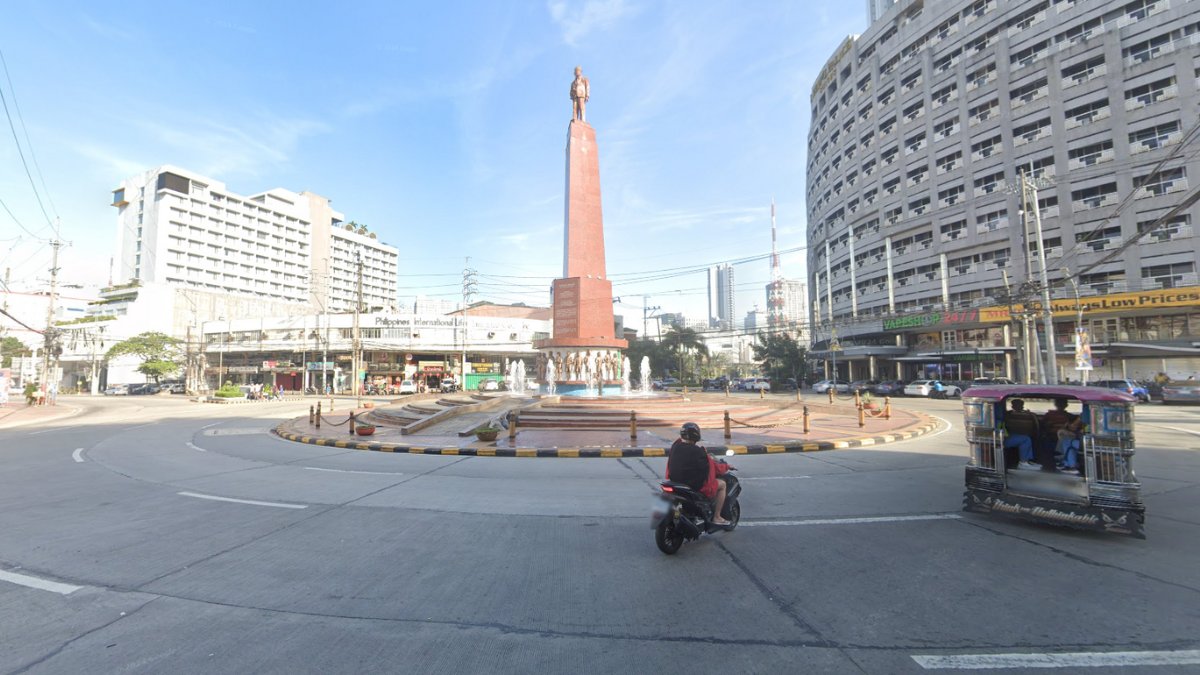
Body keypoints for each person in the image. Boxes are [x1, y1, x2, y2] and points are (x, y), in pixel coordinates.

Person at [665, 422, 732, 526]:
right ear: (696, 435)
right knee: (722, 485)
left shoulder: (675, 446)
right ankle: (717, 517)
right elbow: (715, 468)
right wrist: (727, 466)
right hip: (694, 486)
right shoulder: (698, 452)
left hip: (675, 481)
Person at [1042, 398, 1084, 474]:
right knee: (1064, 441)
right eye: (1059, 403)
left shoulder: (1072, 416)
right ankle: (1067, 463)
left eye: (1062, 403)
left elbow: (1074, 428)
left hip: (1082, 442)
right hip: (1052, 437)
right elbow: (1045, 426)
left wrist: (1067, 429)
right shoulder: (1049, 415)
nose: (1061, 405)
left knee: (1065, 441)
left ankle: (1065, 461)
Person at [1003, 399, 1040, 469]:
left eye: (1020, 405)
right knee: (1026, 439)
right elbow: (1002, 426)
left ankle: (1028, 461)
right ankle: (1023, 462)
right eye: (1017, 405)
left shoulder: (1028, 414)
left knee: (1030, 438)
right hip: (1004, 438)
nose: (1019, 407)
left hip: (1011, 436)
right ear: (1013, 406)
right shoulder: (1008, 415)